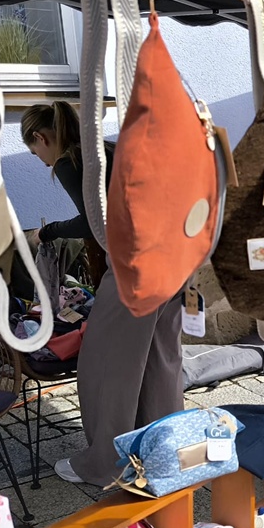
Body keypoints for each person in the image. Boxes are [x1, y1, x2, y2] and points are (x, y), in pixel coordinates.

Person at [20, 102, 185, 486]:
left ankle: (103, 465)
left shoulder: (69, 161)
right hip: (175, 260)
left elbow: (95, 223)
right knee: (160, 363)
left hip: (136, 269)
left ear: (43, 138)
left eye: (36, 153)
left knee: (105, 365)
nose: (43, 163)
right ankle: (163, 453)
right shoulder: (106, 150)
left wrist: (46, 232)